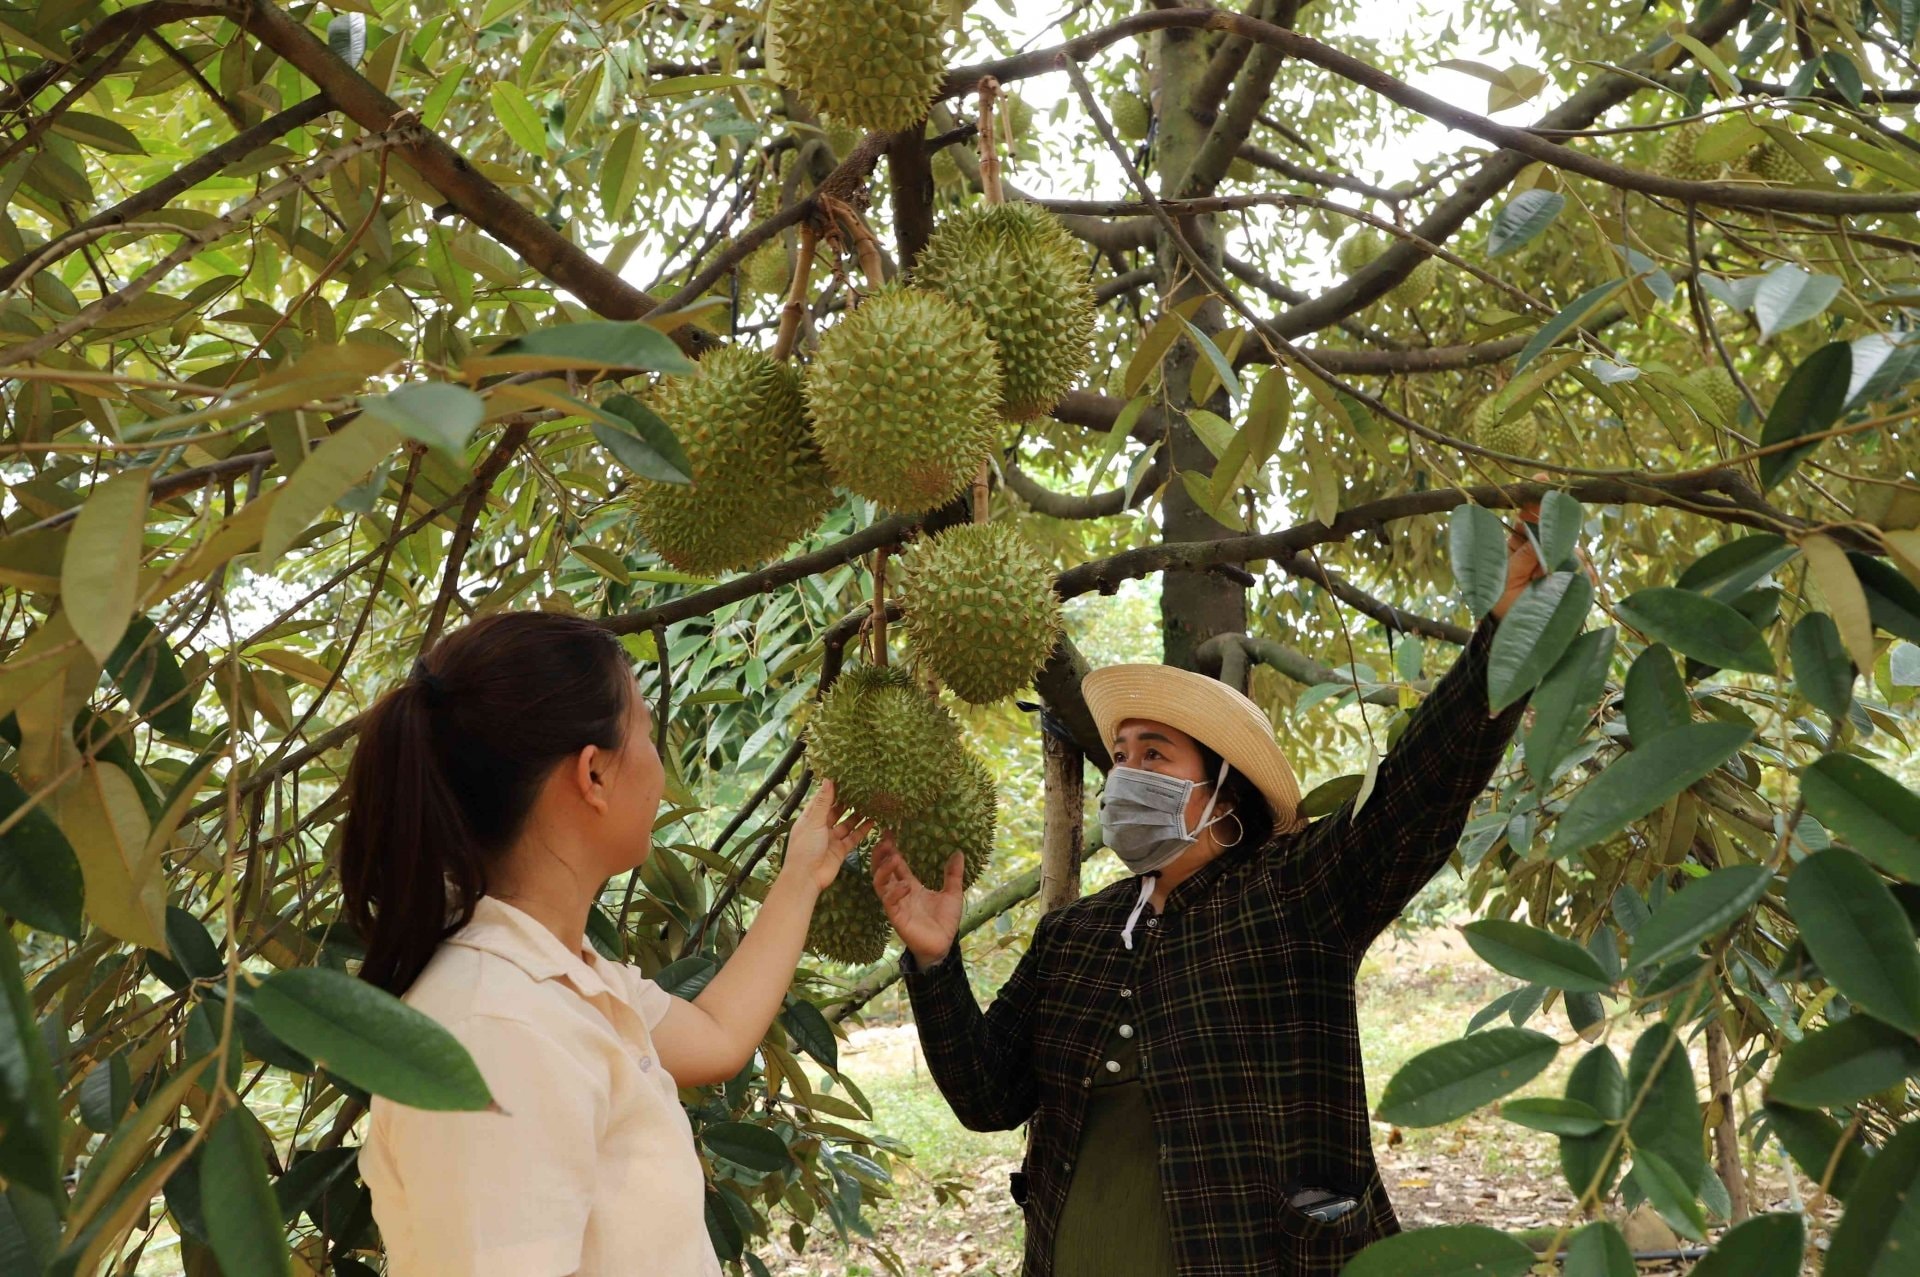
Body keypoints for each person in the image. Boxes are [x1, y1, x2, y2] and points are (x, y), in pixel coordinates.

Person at [873, 511, 1550, 1275]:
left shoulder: (1293, 897)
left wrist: (1500, 634)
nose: (1126, 774)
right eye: (1121, 755)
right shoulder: (1076, 936)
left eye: (1154, 753)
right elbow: (989, 1096)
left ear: (1224, 794)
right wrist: (935, 964)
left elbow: (1414, 795)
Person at [338, 612, 868, 1277]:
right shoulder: (497, 1031)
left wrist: (803, 875)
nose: (657, 762)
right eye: (645, 731)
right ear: (592, 774)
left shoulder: (564, 977)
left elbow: (717, 1033)